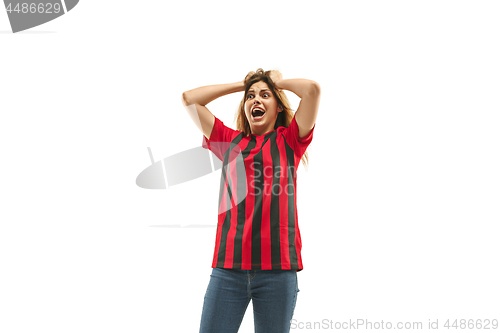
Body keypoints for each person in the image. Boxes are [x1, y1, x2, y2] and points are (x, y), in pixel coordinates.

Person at [182, 69, 321, 333]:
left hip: (278, 271)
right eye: (251, 97)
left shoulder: (289, 140)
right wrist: (242, 85)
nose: (256, 100)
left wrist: (276, 82)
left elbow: (312, 90)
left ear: (278, 107)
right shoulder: (228, 141)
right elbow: (189, 99)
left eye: (265, 96)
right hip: (228, 268)